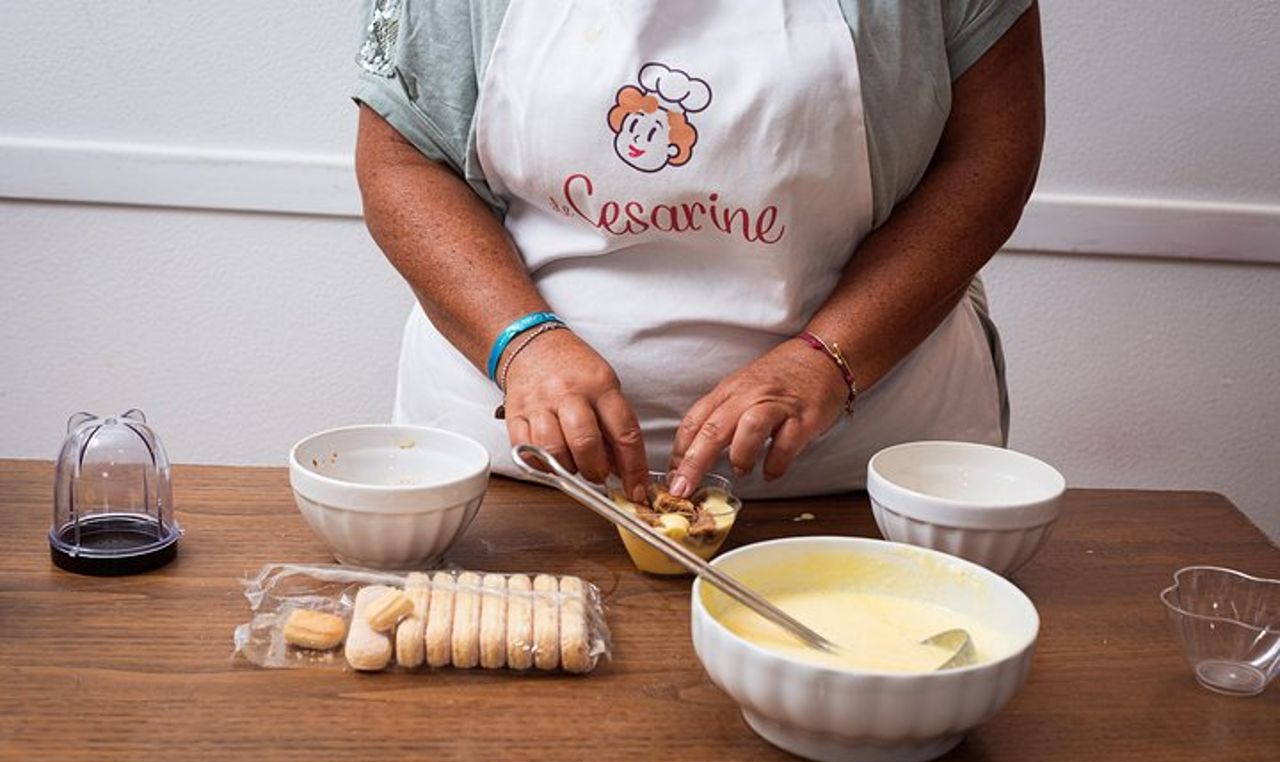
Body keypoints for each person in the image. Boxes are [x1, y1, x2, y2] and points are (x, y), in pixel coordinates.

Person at [352, 0, 1044, 505]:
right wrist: (523, 344)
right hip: (513, 477)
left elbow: (990, 156)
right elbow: (403, 162)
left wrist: (829, 359)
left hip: (870, 486)